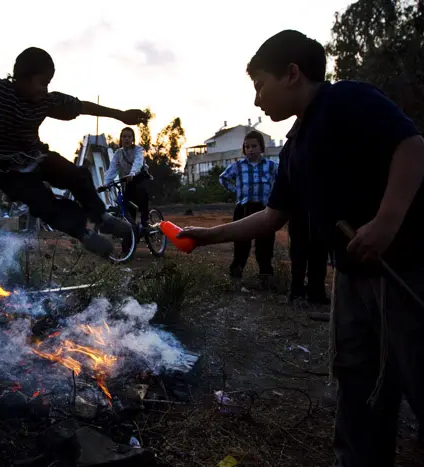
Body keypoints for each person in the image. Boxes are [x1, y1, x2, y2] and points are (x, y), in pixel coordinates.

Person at [178, 30, 424, 467]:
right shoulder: (294, 147)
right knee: (355, 373)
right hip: (352, 276)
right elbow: (273, 217)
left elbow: (411, 147)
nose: (256, 100)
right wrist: (203, 236)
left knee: (417, 370)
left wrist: (386, 222)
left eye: (259, 85)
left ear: (292, 74)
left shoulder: (347, 100)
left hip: (402, 265)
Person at [0, 47, 148, 257]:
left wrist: (120, 115)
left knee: (78, 176)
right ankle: (84, 234)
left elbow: (82, 107)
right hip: (10, 173)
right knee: (45, 205)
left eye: (48, 84)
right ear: (22, 78)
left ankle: (101, 217)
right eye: (42, 83)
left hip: (38, 157)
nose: (45, 89)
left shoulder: (46, 101)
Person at [219, 130, 278, 286]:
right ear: (244, 149)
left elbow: (282, 180)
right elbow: (223, 178)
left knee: (265, 243)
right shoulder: (238, 166)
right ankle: (236, 274)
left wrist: (274, 195)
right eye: (247, 146)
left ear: (261, 147)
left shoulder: (271, 166)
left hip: (264, 209)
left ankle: (266, 276)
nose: (250, 149)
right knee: (241, 242)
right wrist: (235, 191)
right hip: (243, 208)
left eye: (254, 146)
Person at [99, 127, 151, 230]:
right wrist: (105, 184)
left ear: (133, 139)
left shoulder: (138, 150)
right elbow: (112, 169)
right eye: (124, 137)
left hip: (140, 176)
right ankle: (132, 232)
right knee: (126, 203)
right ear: (121, 139)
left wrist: (133, 173)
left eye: (129, 137)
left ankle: (145, 222)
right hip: (128, 179)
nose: (126, 139)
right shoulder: (118, 153)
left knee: (141, 195)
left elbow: (138, 162)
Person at [289, 205, 329, 304]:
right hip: (300, 217)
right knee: (299, 257)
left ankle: (316, 293)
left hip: (319, 217)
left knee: (319, 255)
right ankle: (297, 293)